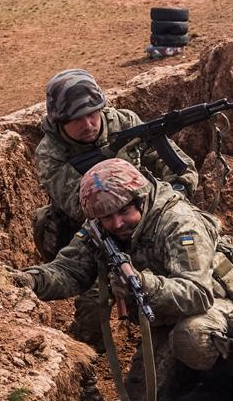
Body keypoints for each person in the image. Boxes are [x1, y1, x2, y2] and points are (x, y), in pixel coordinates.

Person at [13, 159, 233, 401]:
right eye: (107, 217)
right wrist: (31, 280)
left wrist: (144, 284)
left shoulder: (178, 222)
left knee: (191, 337)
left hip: (216, 310)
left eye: (124, 212)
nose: (116, 224)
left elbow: (198, 294)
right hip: (164, 319)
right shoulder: (99, 228)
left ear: (142, 200)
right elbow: (70, 270)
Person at [32, 69, 199, 345]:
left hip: (145, 214)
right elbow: (83, 206)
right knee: (94, 303)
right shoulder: (51, 153)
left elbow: (180, 168)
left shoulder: (125, 123)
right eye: (77, 119)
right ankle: (87, 362)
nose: (88, 124)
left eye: (93, 113)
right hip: (94, 229)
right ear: (59, 121)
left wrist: (170, 202)